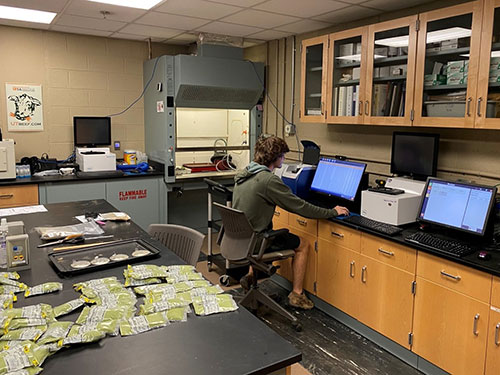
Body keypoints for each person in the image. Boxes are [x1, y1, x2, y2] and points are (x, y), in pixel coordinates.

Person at [232, 135, 349, 309]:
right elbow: (301, 207)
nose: (284, 159)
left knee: (265, 228)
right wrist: (332, 212)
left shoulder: (246, 172)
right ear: (276, 157)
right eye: (283, 156)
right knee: (303, 245)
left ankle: (251, 276)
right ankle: (297, 294)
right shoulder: (268, 180)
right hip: (255, 242)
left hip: (238, 240)